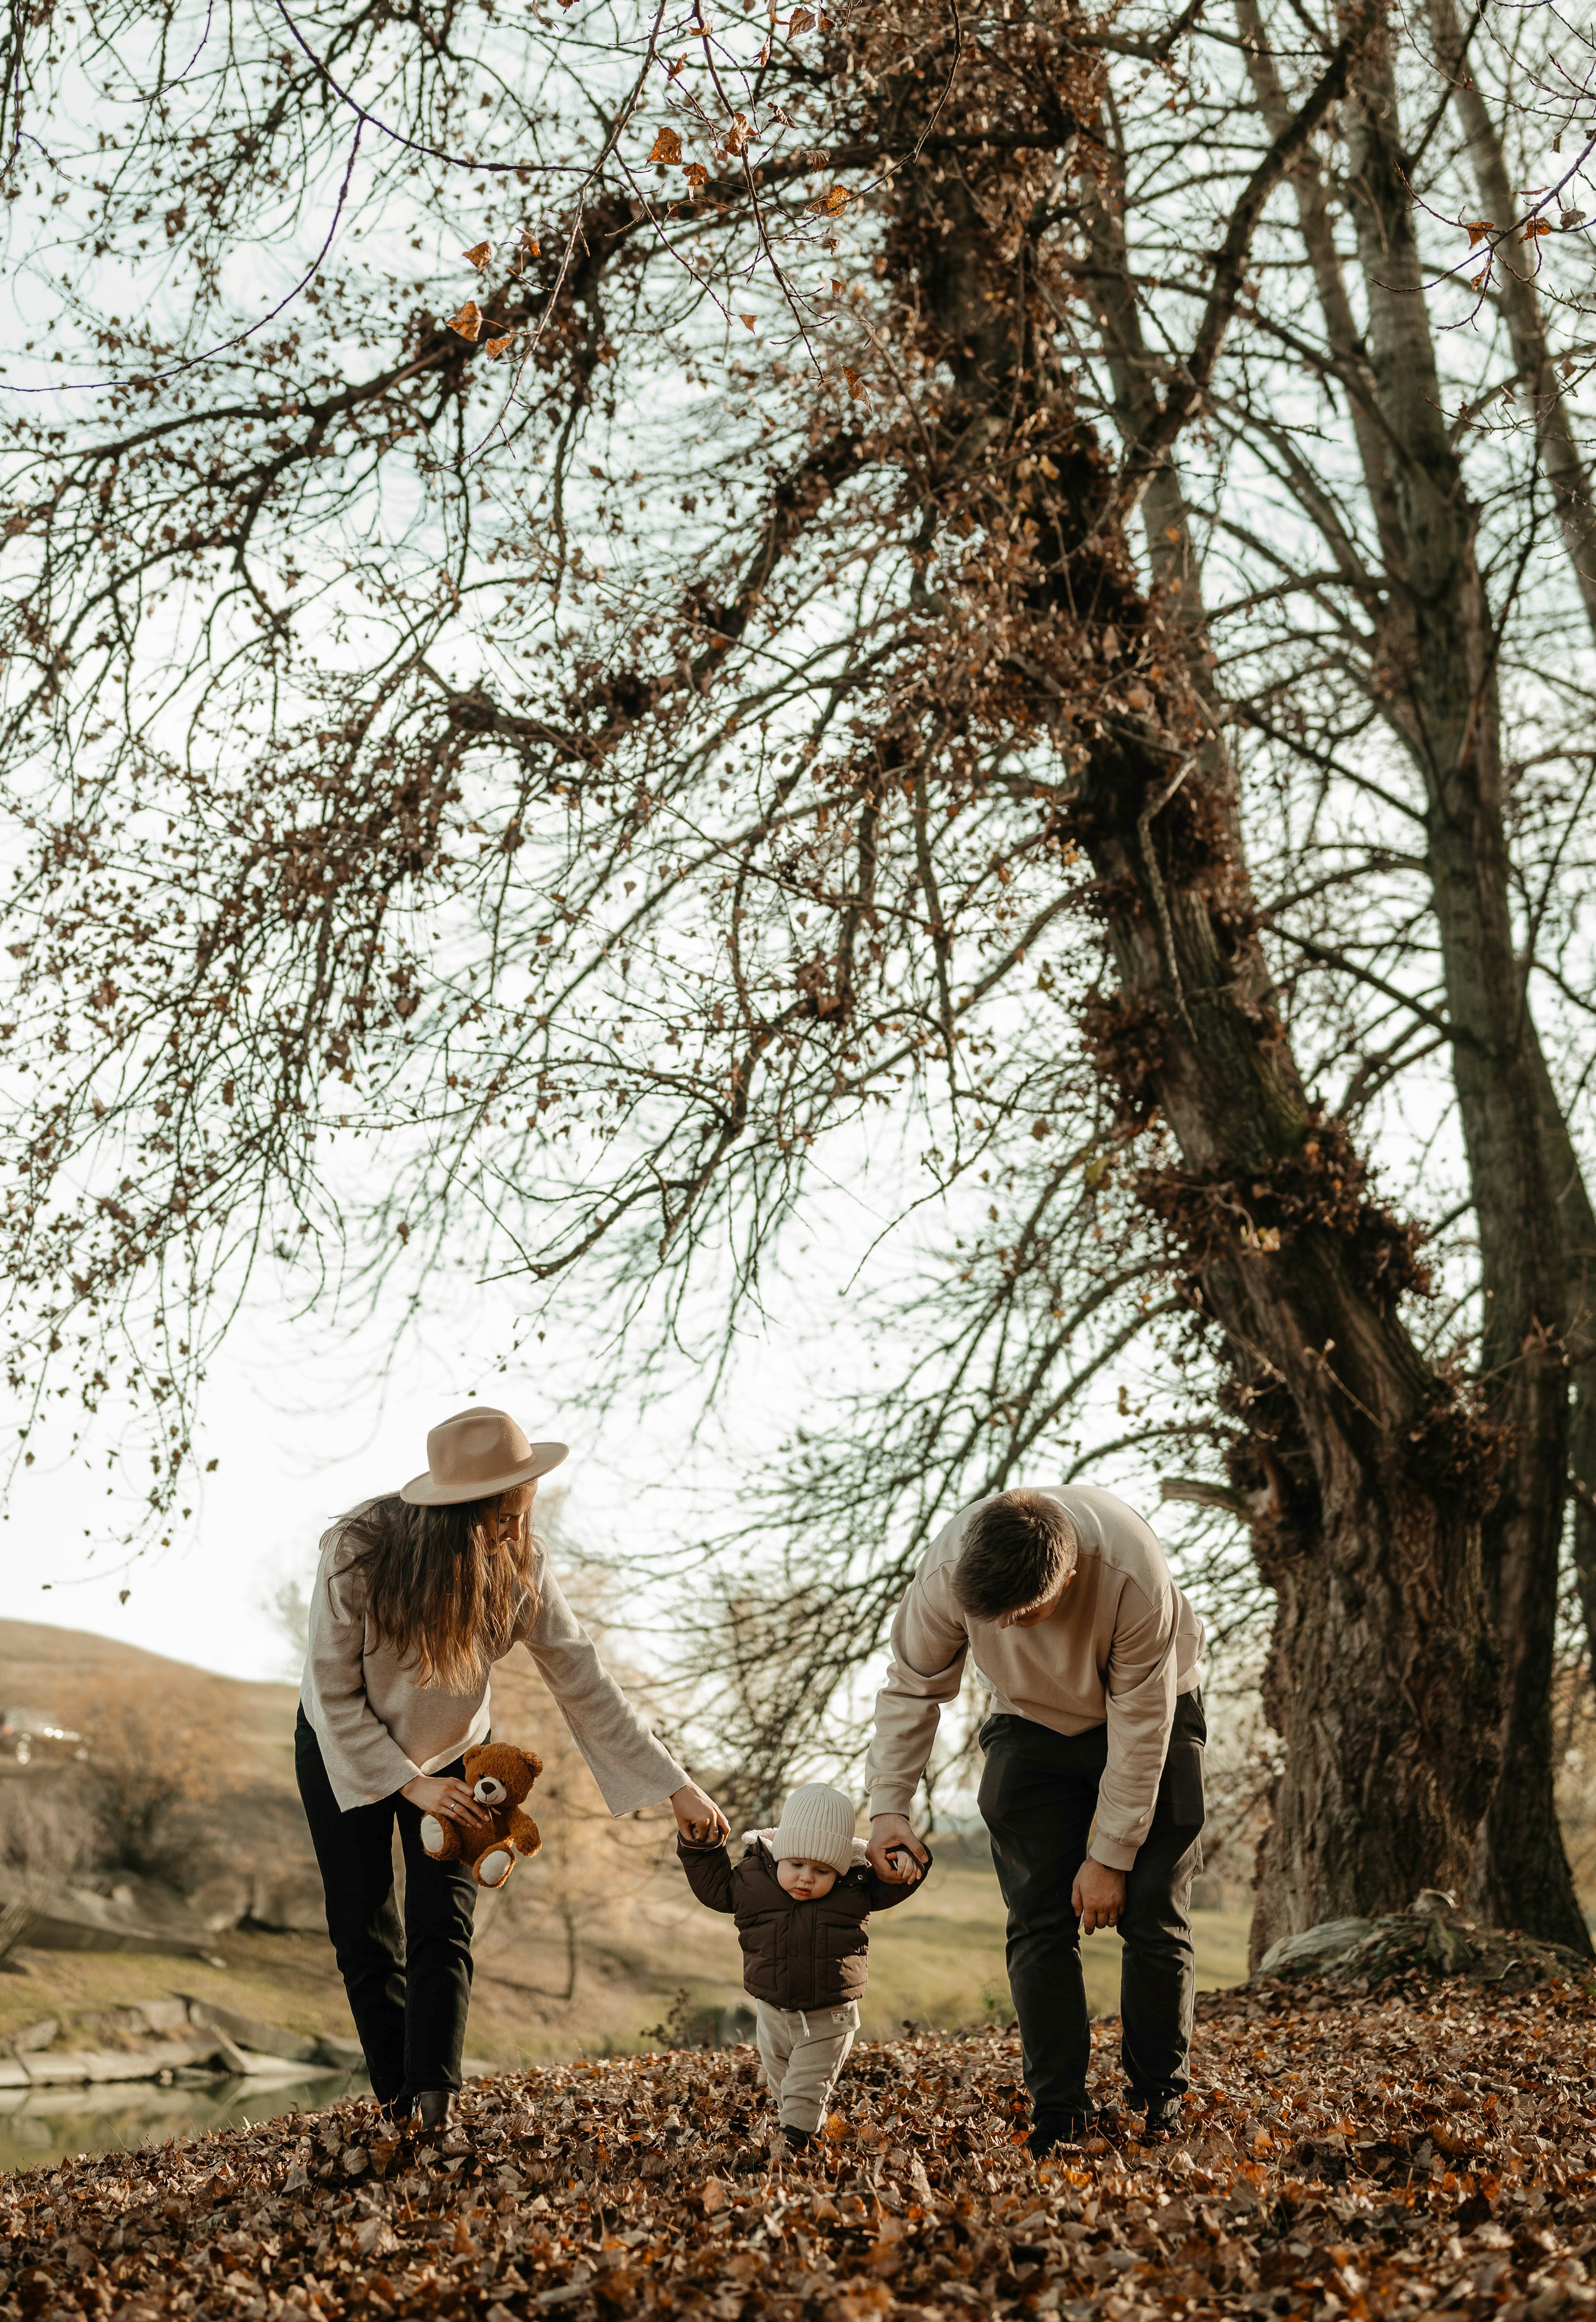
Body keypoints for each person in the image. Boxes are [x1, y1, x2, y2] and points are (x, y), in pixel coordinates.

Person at [296, 1405, 728, 2132]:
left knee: (445, 1921)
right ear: (457, 1515)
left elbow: (585, 1681)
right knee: (363, 1925)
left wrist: (675, 1785)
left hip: (460, 1753)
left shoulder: (522, 1566)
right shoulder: (357, 1553)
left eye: (523, 1515)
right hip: (348, 1742)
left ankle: (435, 2108)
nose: (515, 1533)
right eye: (502, 1520)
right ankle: (396, 2108)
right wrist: (410, 1781)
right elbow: (330, 1690)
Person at [863, 1485, 1204, 2155]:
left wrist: (1109, 1854)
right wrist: (887, 1807)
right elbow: (911, 1686)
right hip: (1027, 1722)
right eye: (998, 1620)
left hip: (1151, 1715)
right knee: (1037, 1919)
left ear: (1069, 1576)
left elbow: (1140, 1726)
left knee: (1153, 1913)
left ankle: (1159, 2096)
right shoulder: (947, 1572)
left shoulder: (1132, 1572)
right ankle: (1059, 2110)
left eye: (1028, 1614)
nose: (1014, 1630)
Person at [676, 1781, 926, 2157]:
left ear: (840, 1869)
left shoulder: (856, 1887)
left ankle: (790, 2149)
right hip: (773, 2013)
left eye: (822, 1870)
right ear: (781, 1854)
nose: (806, 1878)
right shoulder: (752, 1880)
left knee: (805, 2089)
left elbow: (897, 1882)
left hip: (830, 2015)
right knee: (784, 2089)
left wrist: (905, 1861)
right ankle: (807, 2139)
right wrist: (702, 1848)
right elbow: (714, 1889)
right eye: (796, 1865)